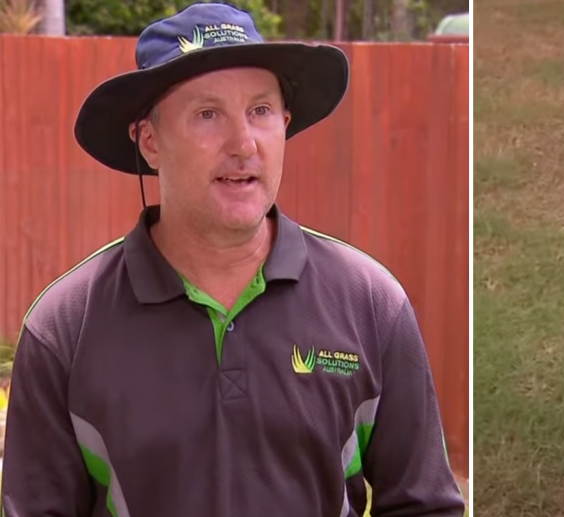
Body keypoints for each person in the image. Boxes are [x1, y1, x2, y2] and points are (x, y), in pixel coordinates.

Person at [0, 2, 465, 517]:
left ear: (285, 125)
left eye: (261, 111)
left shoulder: (371, 305)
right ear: (149, 141)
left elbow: (426, 506)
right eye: (208, 114)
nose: (243, 144)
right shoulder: (65, 329)